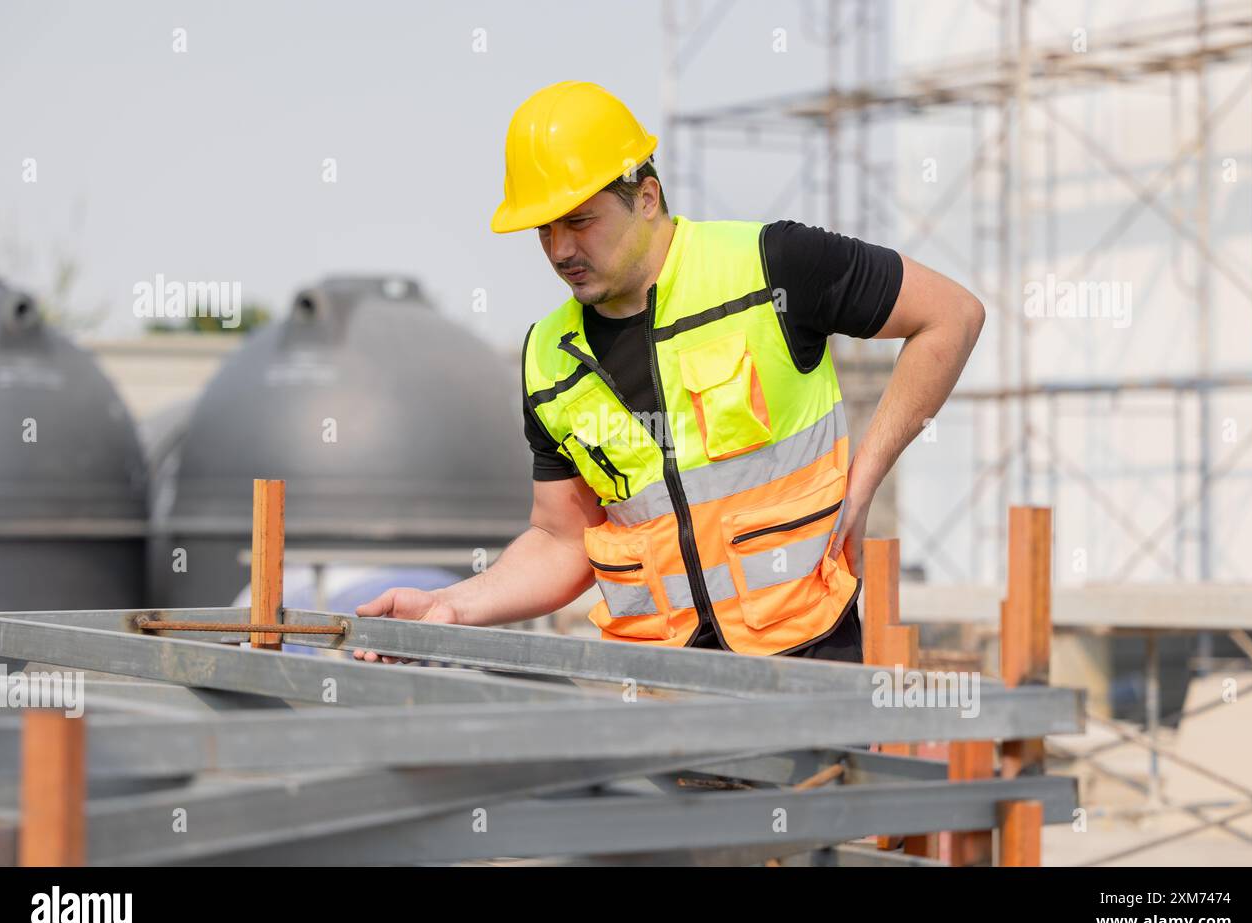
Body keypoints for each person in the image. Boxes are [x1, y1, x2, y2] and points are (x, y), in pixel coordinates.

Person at [355, 80, 983, 664]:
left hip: (808, 665)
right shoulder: (548, 355)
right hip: (658, 691)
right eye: (544, 229)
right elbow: (561, 539)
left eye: (580, 220)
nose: (561, 250)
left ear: (646, 196)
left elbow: (951, 315)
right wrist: (451, 606)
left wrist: (864, 478)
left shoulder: (772, 266)